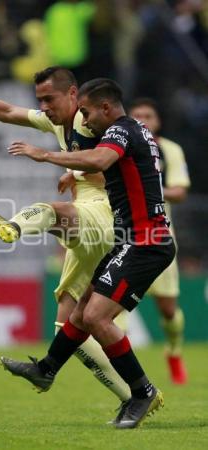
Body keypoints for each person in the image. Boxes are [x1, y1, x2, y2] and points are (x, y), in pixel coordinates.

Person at [0, 62, 131, 405]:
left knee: (51, 211)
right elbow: (6, 111)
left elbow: (112, 160)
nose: (44, 107)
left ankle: (11, 227)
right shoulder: (57, 120)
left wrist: (63, 164)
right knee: (69, 327)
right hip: (90, 220)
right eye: (40, 100)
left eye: (50, 99)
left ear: (73, 95)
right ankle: (136, 396)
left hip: (106, 214)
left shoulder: (89, 120)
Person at [3, 78, 176, 429]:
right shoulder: (137, 131)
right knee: (81, 313)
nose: (85, 120)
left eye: (86, 112)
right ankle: (46, 369)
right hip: (133, 237)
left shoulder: (120, 131)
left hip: (146, 240)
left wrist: (46, 154)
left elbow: (99, 159)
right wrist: (73, 172)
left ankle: (141, 392)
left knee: (97, 317)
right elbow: (106, 165)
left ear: (106, 109)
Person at [129, 98, 190, 384]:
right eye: (136, 115)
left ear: (158, 121)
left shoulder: (171, 150)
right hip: (123, 235)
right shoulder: (118, 146)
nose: (142, 120)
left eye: (148, 116)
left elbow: (179, 192)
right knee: (111, 307)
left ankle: (174, 352)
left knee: (168, 309)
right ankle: (124, 371)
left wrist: (149, 190)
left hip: (159, 235)